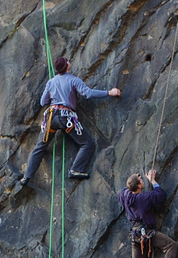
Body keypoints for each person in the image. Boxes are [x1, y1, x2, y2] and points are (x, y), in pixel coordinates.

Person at [17, 56, 120, 188]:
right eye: (68, 61)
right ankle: (76, 169)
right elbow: (87, 93)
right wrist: (109, 92)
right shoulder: (73, 80)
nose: (70, 62)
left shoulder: (51, 82)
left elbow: (43, 102)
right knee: (87, 143)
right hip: (66, 118)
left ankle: (26, 177)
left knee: (40, 147)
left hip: (51, 117)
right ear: (67, 66)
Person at [118, 169, 178, 258]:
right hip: (147, 234)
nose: (143, 181)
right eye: (141, 181)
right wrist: (152, 181)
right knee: (171, 245)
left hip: (135, 235)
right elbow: (160, 195)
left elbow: (126, 188)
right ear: (140, 186)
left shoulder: (125, 195)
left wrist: (134, 179)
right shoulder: (143, 199)